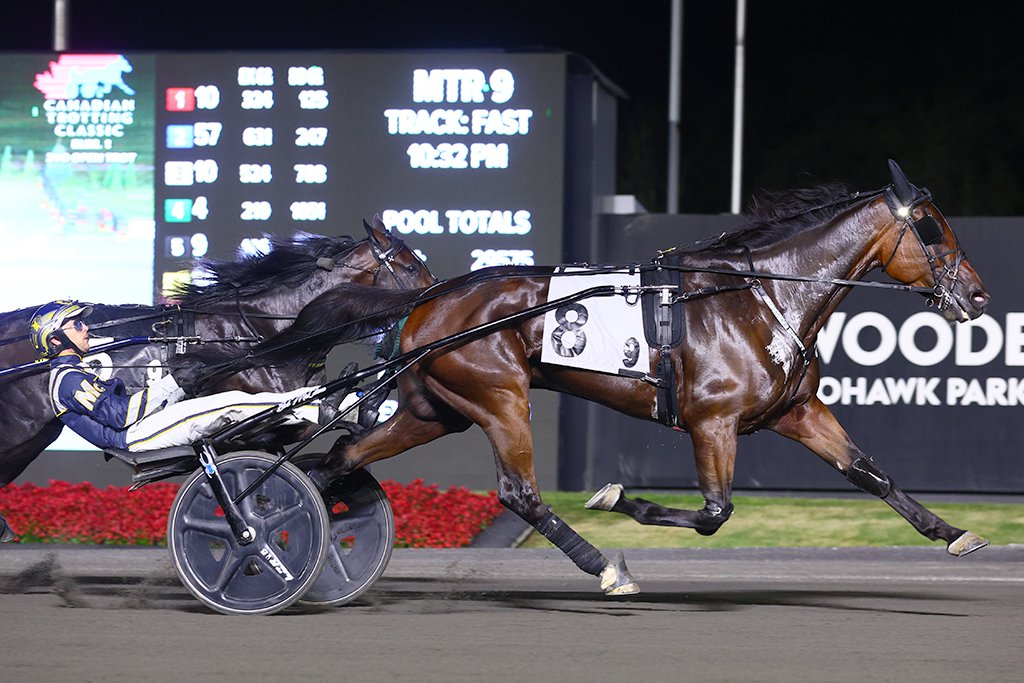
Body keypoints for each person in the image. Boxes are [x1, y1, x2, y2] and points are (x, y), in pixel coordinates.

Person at [29, 299, 362, 453]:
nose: (85, 328)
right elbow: (121, 416)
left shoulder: (72, 373)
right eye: (76, 325)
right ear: (55, 340)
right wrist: (174, 383)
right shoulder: (67, 381)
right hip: (133, 436)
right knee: (226, 406)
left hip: (142, 426)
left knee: (232, 401)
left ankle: (334, 403)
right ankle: (319, 408)